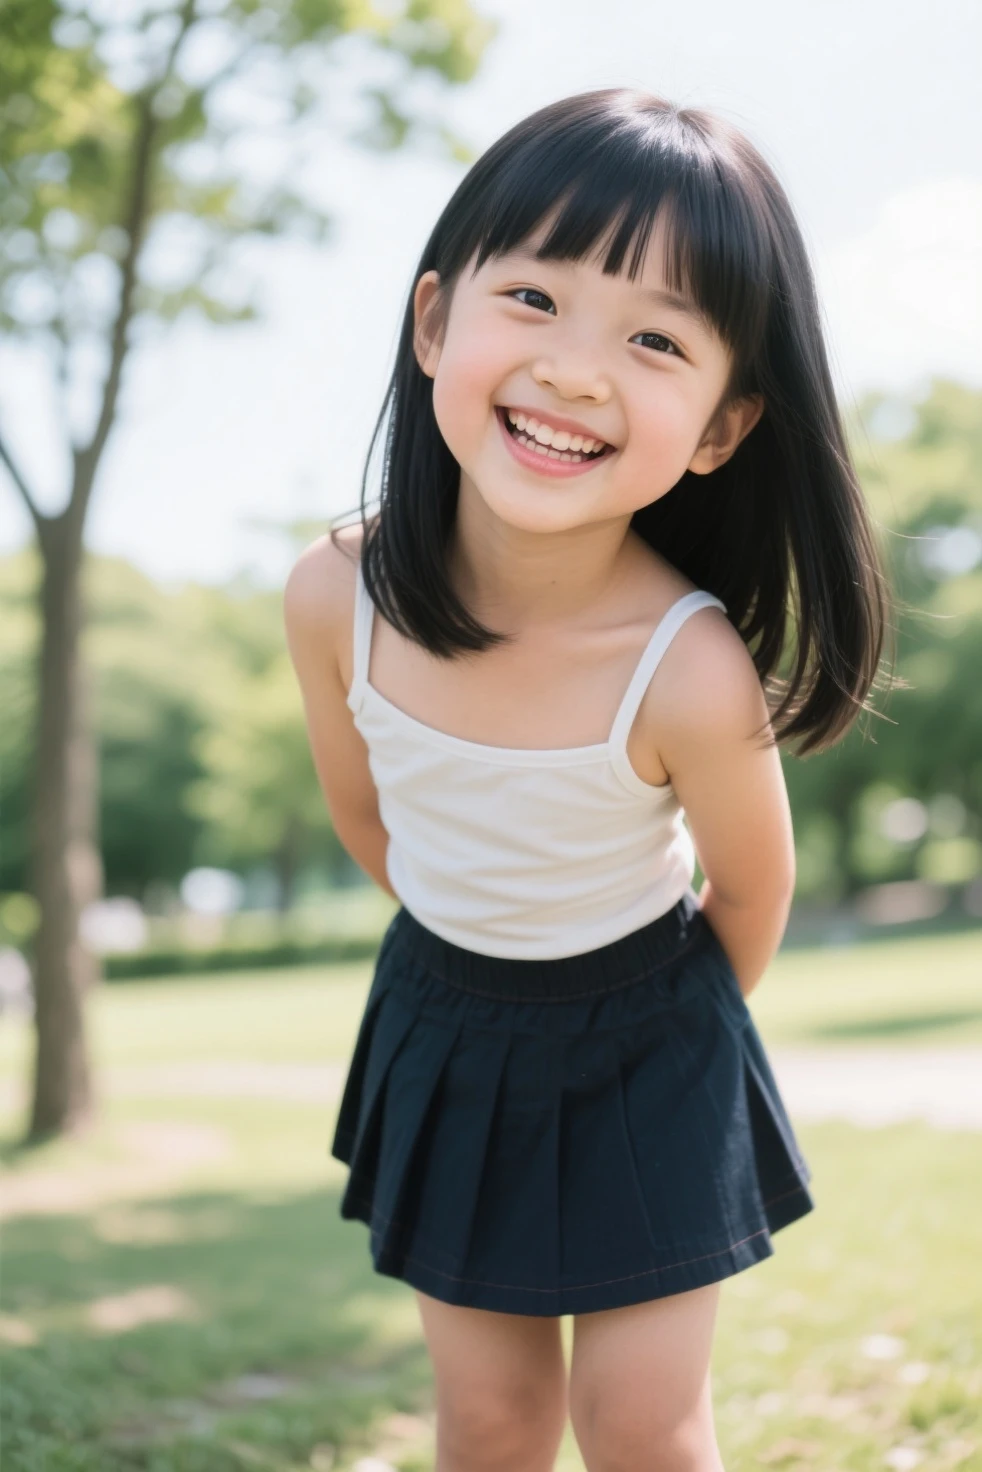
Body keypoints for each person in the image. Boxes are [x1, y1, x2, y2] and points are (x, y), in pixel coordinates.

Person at [284, 88, 889, 1472]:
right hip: (446, 1015)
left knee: (643, 1427)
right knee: (489, 1421)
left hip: (650, 1033)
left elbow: (751, 893)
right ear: (434, 321)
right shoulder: (335, 593)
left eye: (655, 338)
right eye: (537, 301)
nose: (575, 370)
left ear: (724, 425)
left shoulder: (687, 670)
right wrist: (484, 959)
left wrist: (642, 1040)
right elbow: (368, 817)